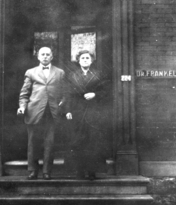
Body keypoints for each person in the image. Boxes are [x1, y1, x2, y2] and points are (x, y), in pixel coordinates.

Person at [17, 47, 67, 180]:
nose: (45, 56)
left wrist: (62, 103)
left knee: (49, 143)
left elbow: (64, 93)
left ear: (52, 57)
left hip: (52, 112)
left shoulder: (60, 72)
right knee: (33, 143)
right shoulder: (30, 72)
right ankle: (33, 170)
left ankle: (46, 171)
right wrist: (22, 107)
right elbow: (24, 93)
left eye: (47, 54)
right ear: (38, 57)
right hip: (34, 112)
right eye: (42, 54)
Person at [65, 50, 108, 180]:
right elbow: (67, 95)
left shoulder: (99, 74)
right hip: (77, 112)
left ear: (91, 60)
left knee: (93, 143)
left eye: (87, 58)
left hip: (93, 111)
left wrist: (95, 94)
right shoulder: (72, 76)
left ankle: (91, 172)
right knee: (78, 142)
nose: (85, 60)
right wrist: (67, 110)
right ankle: (79, 171)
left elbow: (106, 92)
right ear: (78, 61)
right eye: (82, 58)